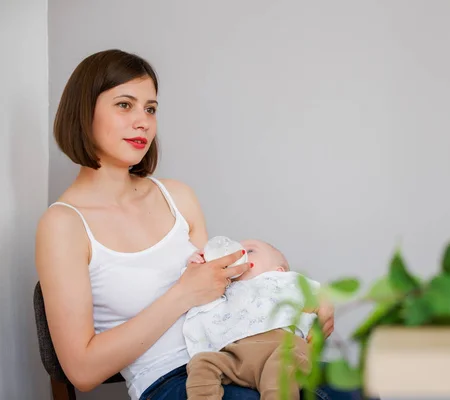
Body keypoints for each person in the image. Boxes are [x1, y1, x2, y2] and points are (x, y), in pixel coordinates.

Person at [35, 49, 336, 400]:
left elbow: (223, 293)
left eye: (150, 108)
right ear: (83, 112)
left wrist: (306, 300)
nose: (143, 121)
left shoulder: (178, 197)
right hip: (167, 380)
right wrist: (181, 295)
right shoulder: (63, 225)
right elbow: (82, 371)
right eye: (124, 105)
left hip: (237, 356)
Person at [183, 238, 318, 400]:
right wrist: (198, 265)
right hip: (236, 356)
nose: (239, 255)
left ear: (279, 271)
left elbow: (319, 298)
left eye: (250, 251)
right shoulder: (222, 291)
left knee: (281, 372)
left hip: (281, 348)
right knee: (202, 362)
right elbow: (196, 296)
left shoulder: (284, 282)